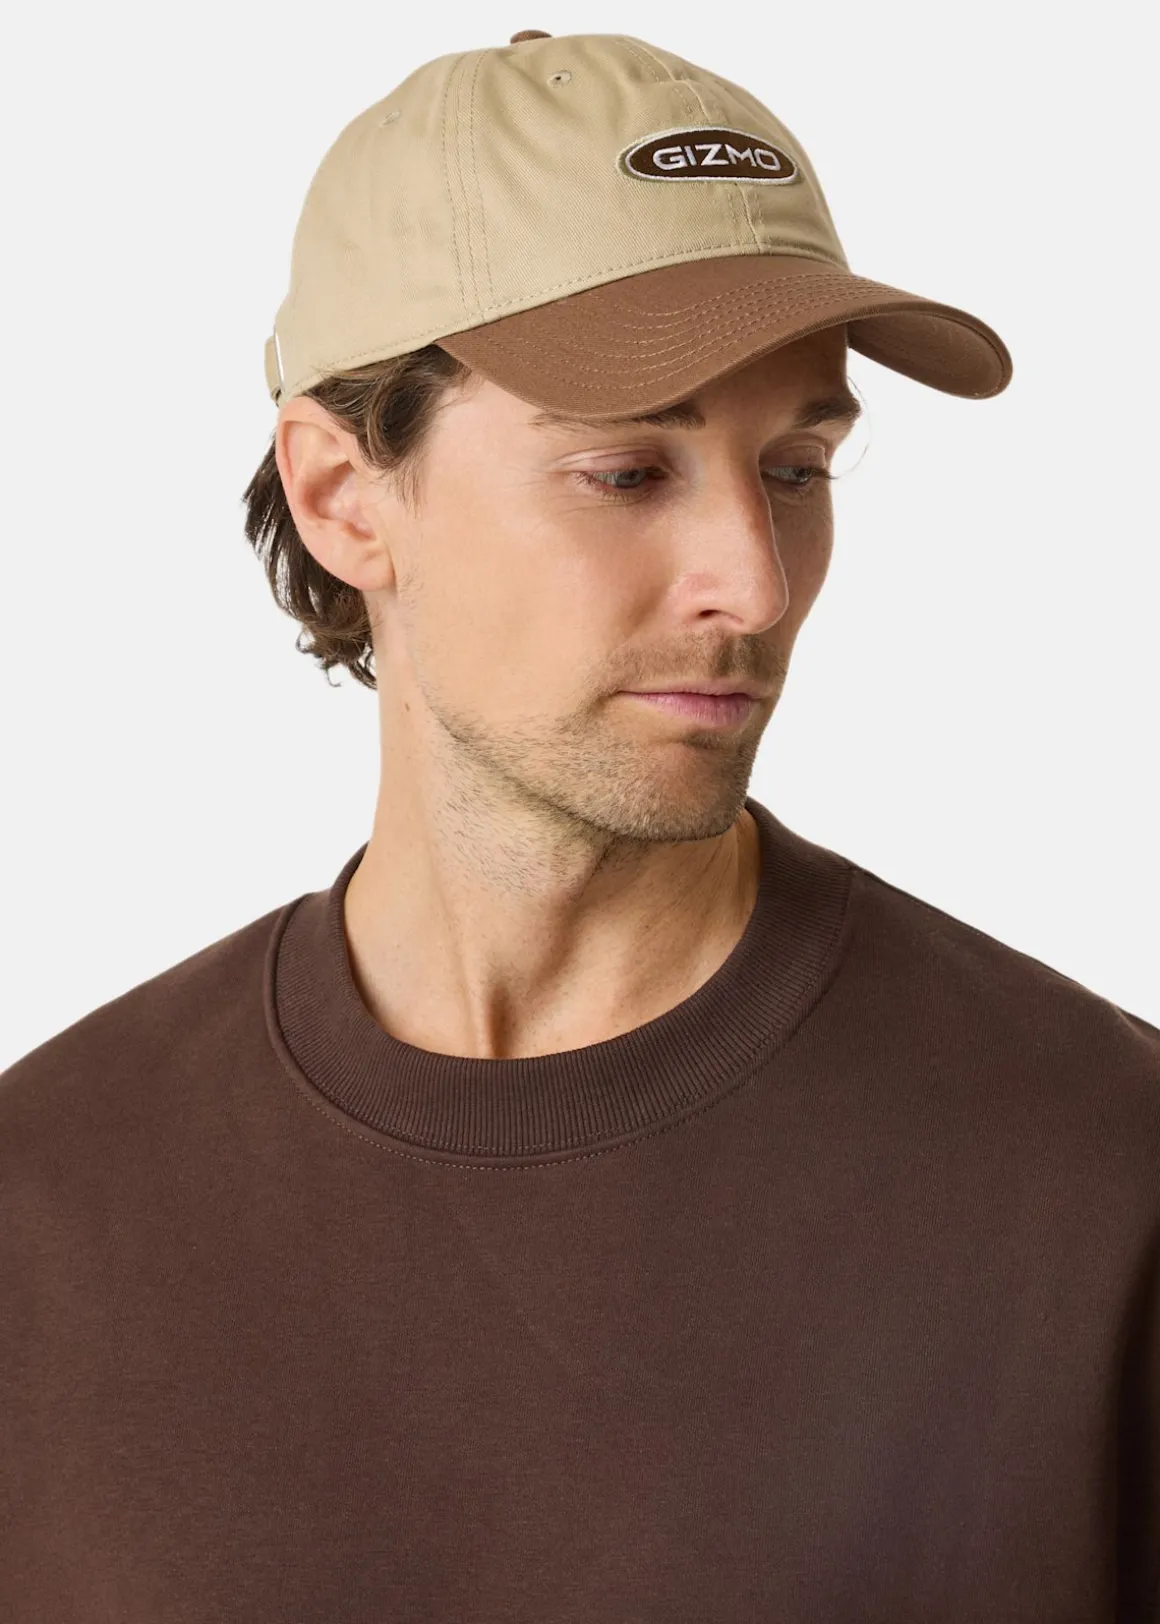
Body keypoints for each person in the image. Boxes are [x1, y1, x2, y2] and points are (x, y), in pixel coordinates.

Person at [1, 28, 1156, 1623]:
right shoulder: (49, 1207)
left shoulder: (1102, 1185)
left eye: (797, 468)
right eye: (625, 471)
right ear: (343, 495)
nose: (753, 582)